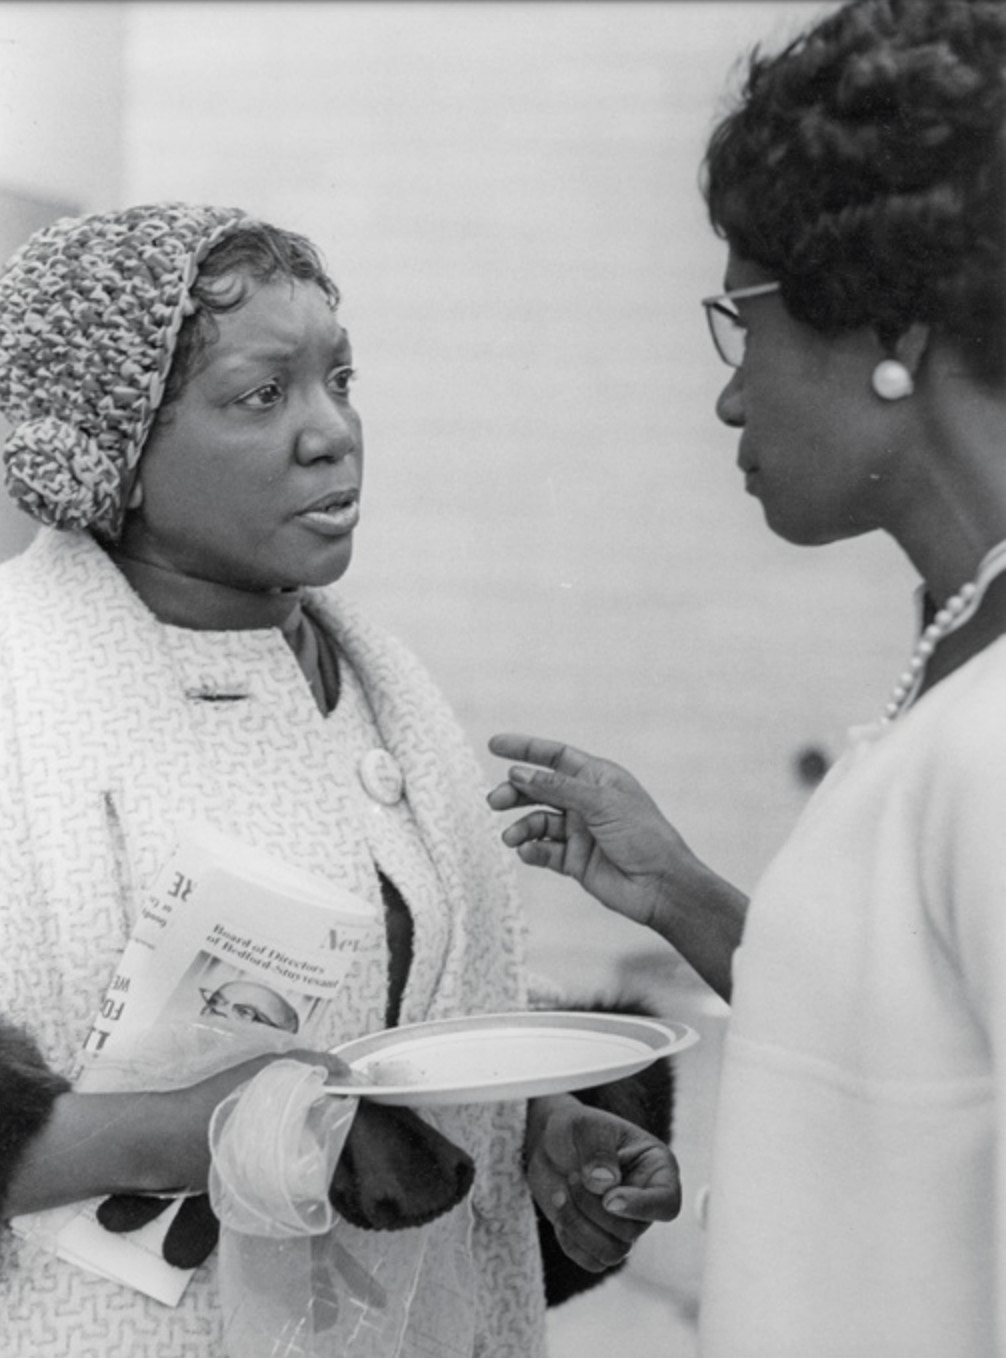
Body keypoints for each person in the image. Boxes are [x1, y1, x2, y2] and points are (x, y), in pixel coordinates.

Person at [0, 203, 679, 1356]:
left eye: (340, 378)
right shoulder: (26, 697)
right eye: (263, 395)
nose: (333, 433)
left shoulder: (371, 683)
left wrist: (538, 1132)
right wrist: (192, 1129)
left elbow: (409, 1012)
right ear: (115, 448)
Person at [487, 1, 1006, 1354]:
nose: (728, 393)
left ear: (888, 321)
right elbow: (919, 1056)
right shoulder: (957, 652)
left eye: (745, 315)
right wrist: (680, 893)